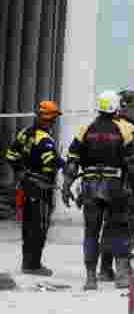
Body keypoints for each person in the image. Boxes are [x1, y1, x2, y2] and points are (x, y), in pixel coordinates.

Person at [62, 91, 134, 290]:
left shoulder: (85, 129)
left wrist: (65, 186)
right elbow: (132, 164)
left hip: (89, 184)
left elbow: (72, 162)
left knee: (91, 231)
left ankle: (90, 279)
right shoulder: (126, 129)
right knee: (119, 228)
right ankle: (122, 276)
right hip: (114, 185)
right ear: (116, 107)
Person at [6, 100, 63, 276]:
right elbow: (50, 163)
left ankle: (28, 263)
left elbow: (11, 155)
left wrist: (20, 171)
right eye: (53, 118)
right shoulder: (44, 139)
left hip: (26, 187)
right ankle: (33, 265)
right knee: (38, 227)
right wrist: (64, 164)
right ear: (50, 119)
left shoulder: (25, 133)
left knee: (28, 226)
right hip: (40, 189)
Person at [97, 88, 134, 283]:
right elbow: (132, 162)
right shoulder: (128, 128)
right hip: (122, 185)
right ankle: (123, 270)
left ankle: (105, 269)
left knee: (108, 226)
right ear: (126, 108)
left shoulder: (103, 125)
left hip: (101, 184)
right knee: (124, 226)